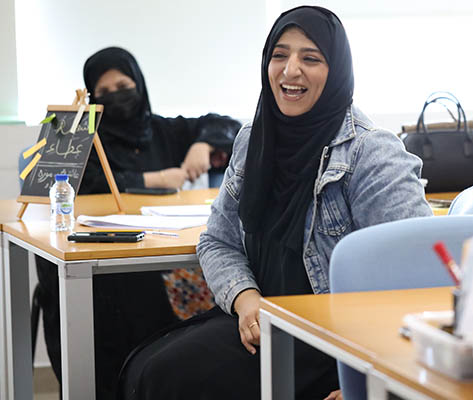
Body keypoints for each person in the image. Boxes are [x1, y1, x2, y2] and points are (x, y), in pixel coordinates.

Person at [118, 6, 432, 400]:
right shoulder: (255, 139)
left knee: (169, 379)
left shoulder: (371, 152)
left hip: (333, 342)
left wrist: (368, 381)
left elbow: (416, 280)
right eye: (279, 55)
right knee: (143, 366)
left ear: (337, 70)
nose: (290, 70)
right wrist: (245, 298)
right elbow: (218, 241)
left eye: (311, 58)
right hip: (264, 321)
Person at [35, 46, 241, 400]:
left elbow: (228, 125)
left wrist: (203, 144)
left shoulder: (160, 129)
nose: (117, 98)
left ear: (140, 85)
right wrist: (157, 178)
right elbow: (70, 183)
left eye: (124, 87)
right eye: (105, 92)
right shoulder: (81, 136)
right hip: (102, 262)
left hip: (157, 252)